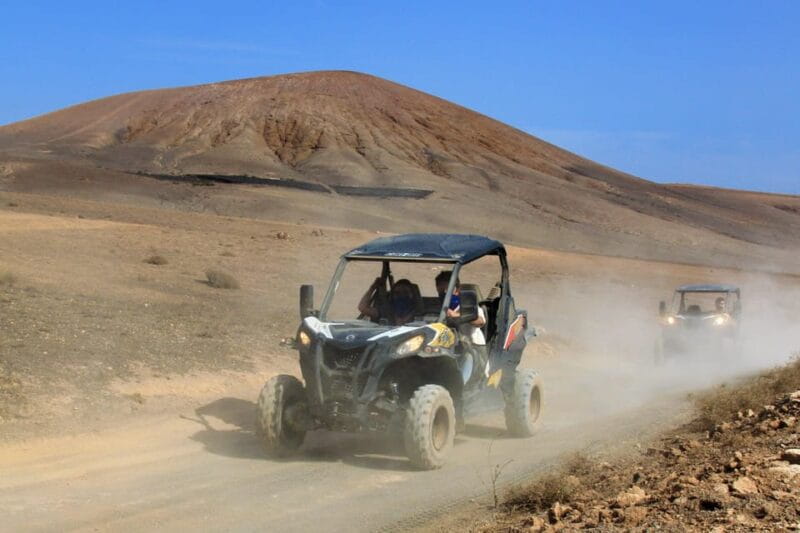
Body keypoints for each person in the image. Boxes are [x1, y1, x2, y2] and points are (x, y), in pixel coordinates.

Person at [435, 271, 487, 383]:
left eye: (447, 291)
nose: (444, 295)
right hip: (448, 348)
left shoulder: (467, 304)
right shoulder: (440, 307)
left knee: (467, 361)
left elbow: (480, 321)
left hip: (473, 348)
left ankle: (461, 389)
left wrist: (457, 315)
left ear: (457, 289)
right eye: (441, 292)